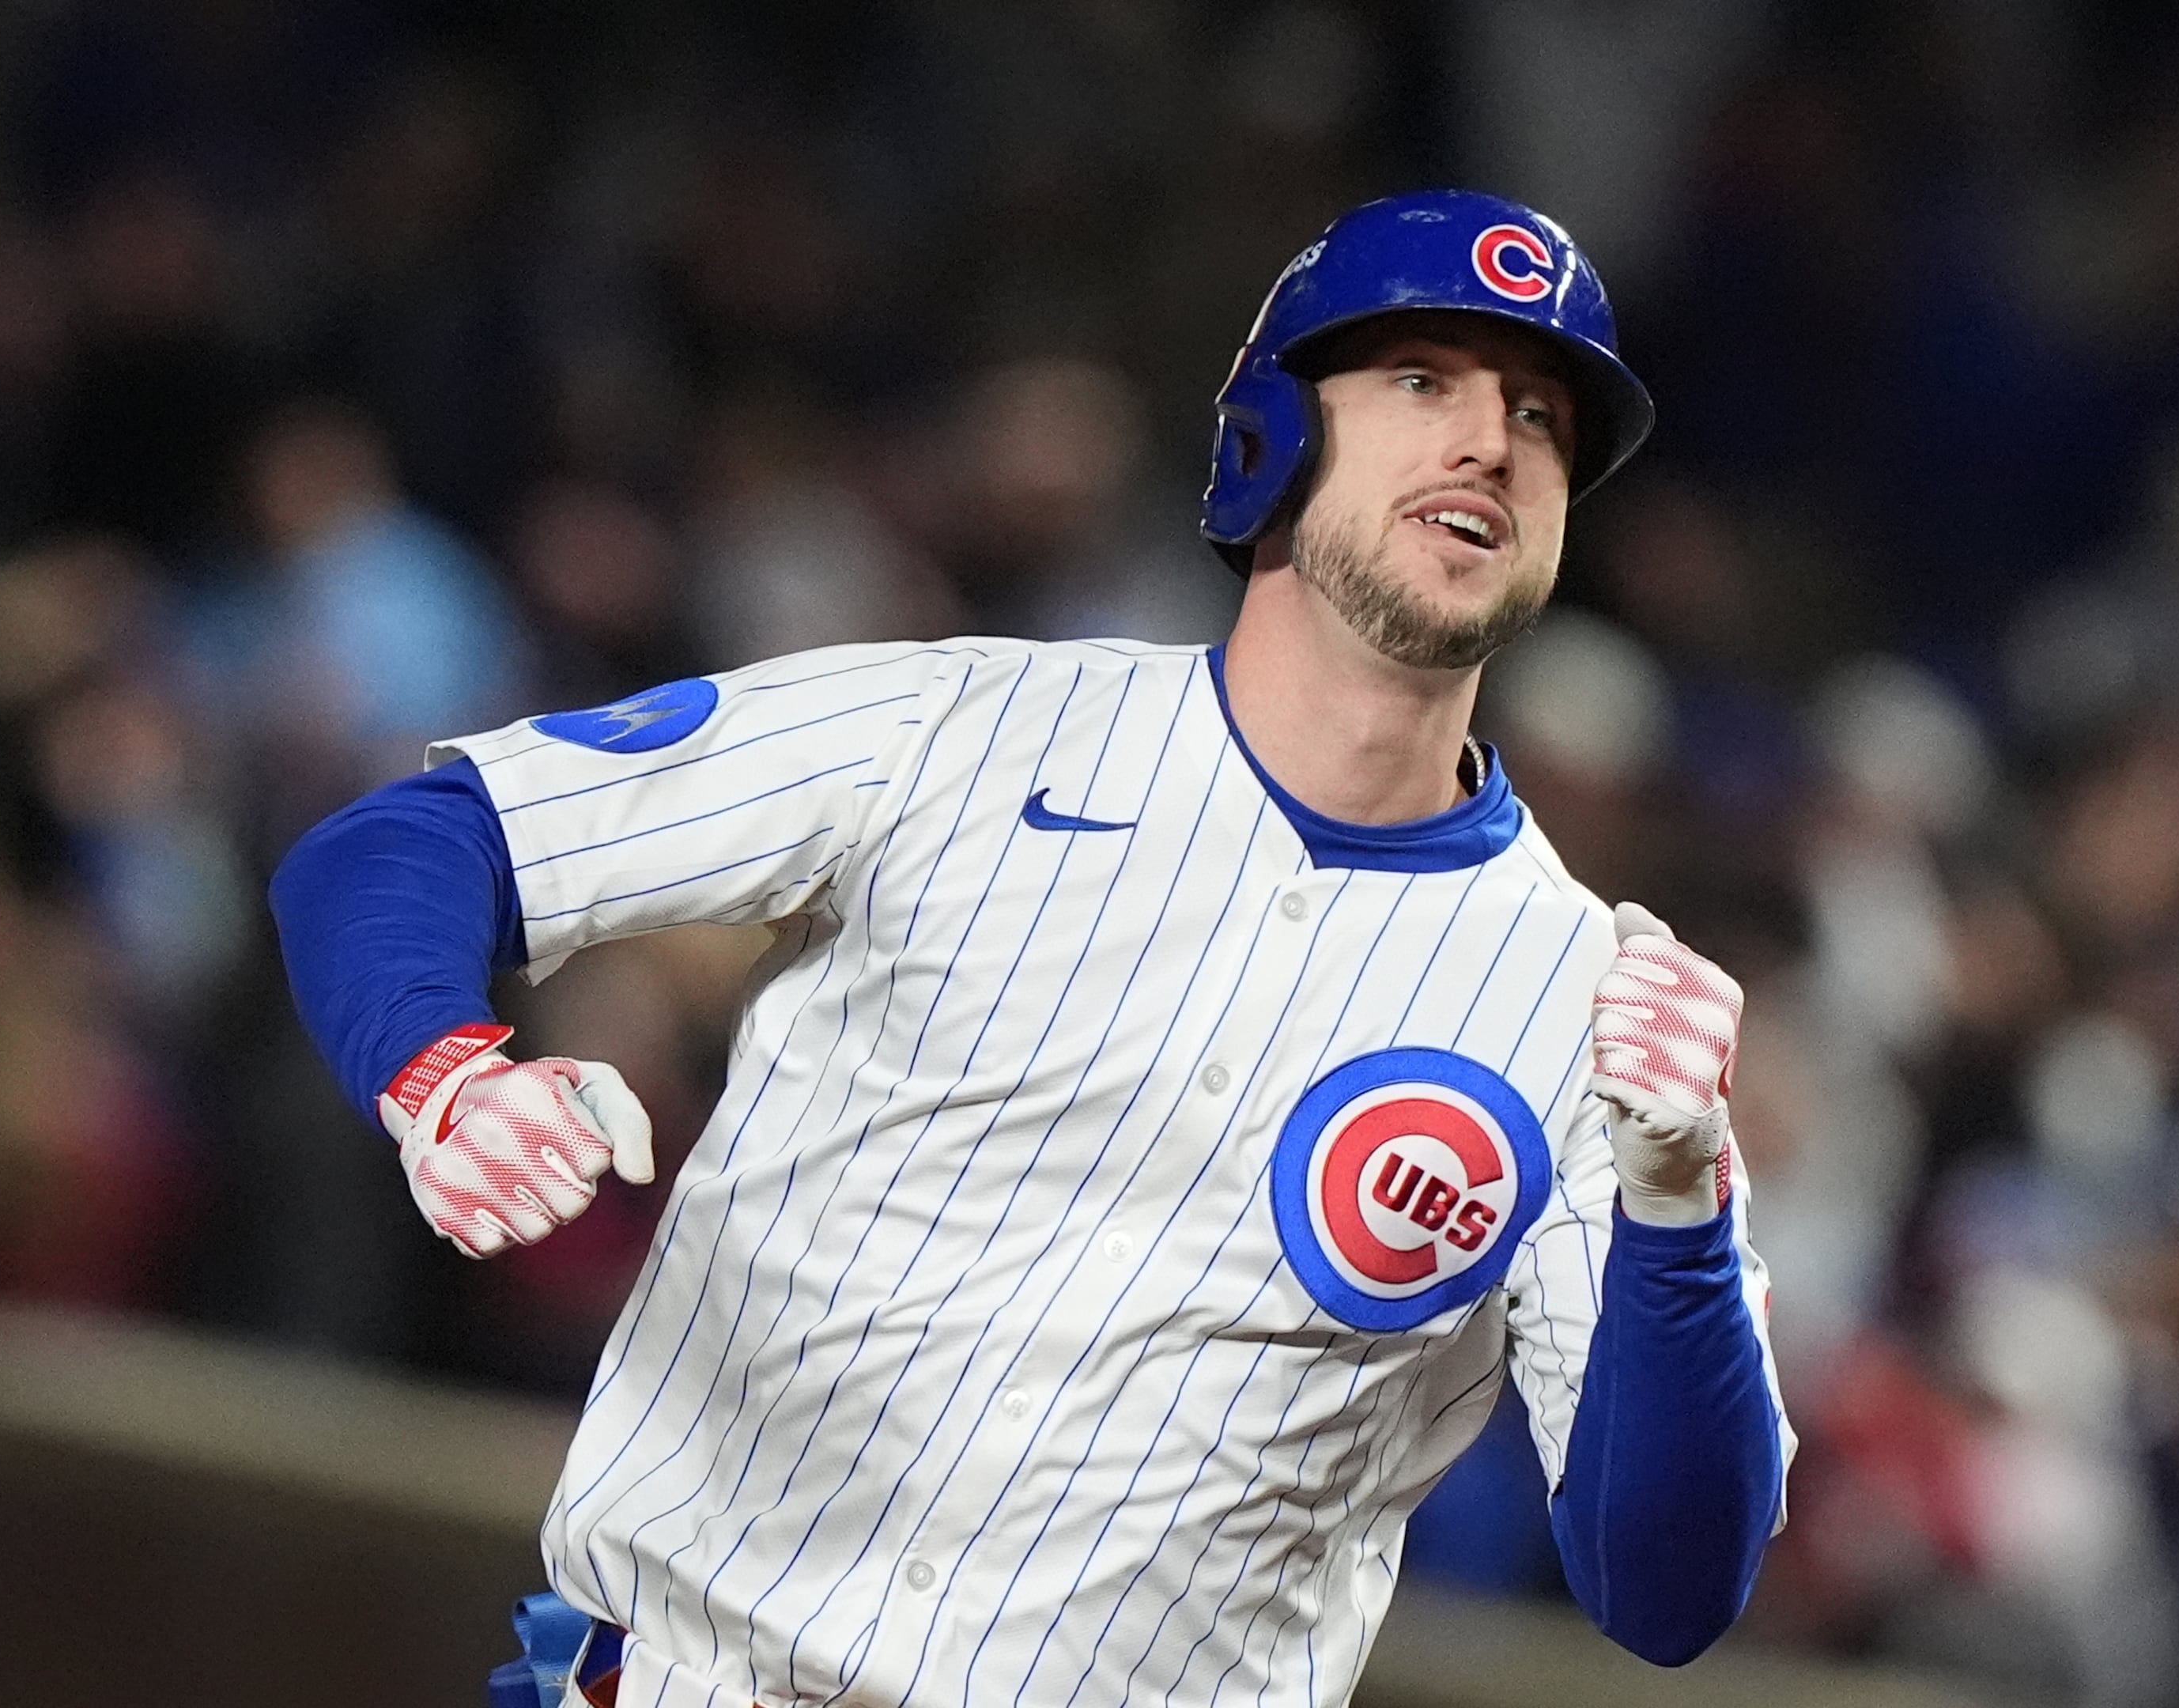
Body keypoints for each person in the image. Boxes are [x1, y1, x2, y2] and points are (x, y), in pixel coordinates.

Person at [273, 188, 1792, 1708]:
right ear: (1269, 430)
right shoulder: (963, 724)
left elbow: (1663, 1589)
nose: (1491, 439)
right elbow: (413, 844)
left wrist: (1676, 1216)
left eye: (1542, 414)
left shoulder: (1589, 1010)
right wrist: (443, 1075)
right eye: (1422, 380)